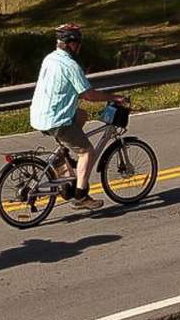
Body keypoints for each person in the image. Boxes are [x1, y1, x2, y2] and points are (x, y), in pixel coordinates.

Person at [29, 24, 128, 210]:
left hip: (40, 114)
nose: (79, 47)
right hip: (55, 119)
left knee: (82, 114)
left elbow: (80, 93)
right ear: (71, 44)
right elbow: (89, 95)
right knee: (87, 151)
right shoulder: (70, 65)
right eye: (78, 44)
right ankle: (81, 195)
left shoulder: (51, 58)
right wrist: (115, 97)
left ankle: (63, 155)